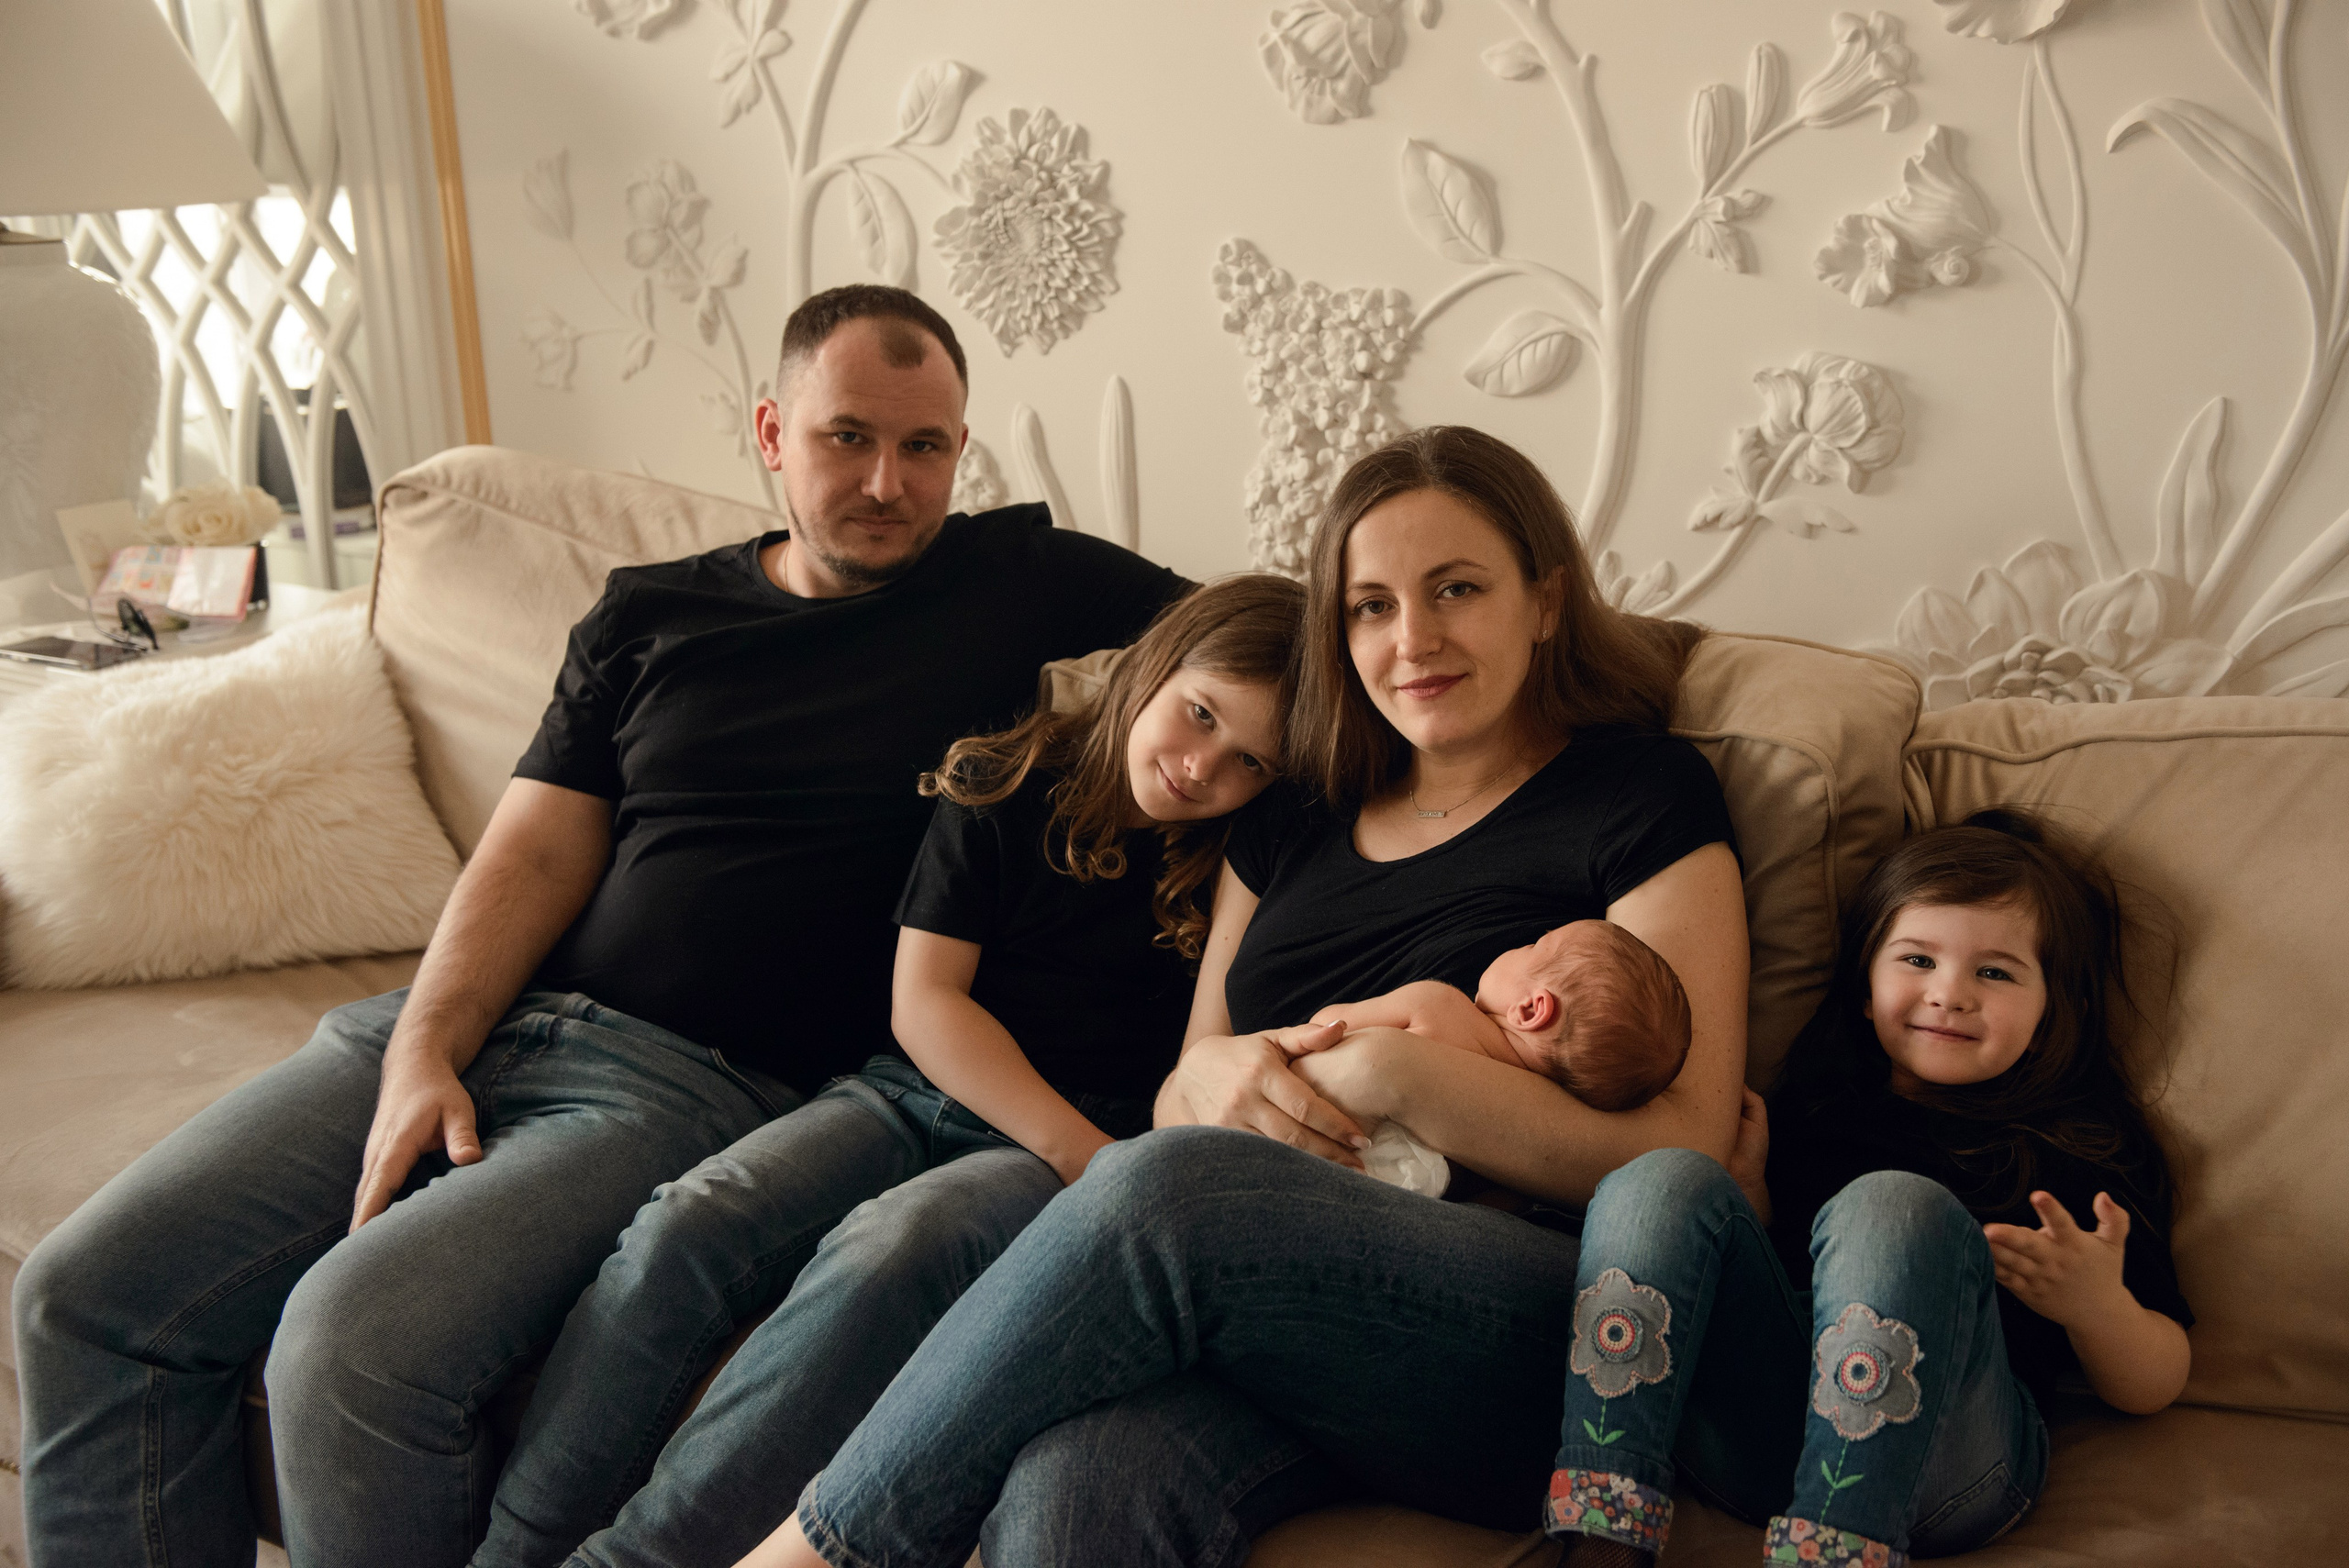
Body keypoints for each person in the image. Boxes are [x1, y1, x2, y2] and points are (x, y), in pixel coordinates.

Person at [11, 284, 1187, 1568]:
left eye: (926, 449)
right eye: (847, 437)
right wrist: (424, 1043)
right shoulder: (649, 611)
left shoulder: (1024, 589)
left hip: (688, 1089)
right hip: (480, 1024)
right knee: (84, 1298)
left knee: (355, 1342)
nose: (889, 484)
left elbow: (1275, 644)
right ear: (771, 433)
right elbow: (529, 847)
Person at [732, 423, 1753, 1568]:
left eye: (1455, 588)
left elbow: (1687, 1143)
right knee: (1073, 1480)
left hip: (1523, 1314)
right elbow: (1185, 1084)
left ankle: (813, 1555)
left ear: (1546, 599)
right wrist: (1203, 1074)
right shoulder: (1290, 814)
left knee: (1164, 1188)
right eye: (1370, 605)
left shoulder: (1639, 793)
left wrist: (1394, 1071)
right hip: (1272, 1309)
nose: (1411, 638)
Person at [474, 573, 1300, 1568]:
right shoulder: (1002, 775)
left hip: (1067, 1145)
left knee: (891, 1245)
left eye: (1248, 758)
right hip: (918, 1093)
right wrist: (1076, 1148)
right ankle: (518, 1552)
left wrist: (1087, 1155)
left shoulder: (1234, 854)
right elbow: (926, 1001)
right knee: (687, 1222)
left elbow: (1196, 1056)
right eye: (1198, 712)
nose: (1199, 763)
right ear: (1154, 665)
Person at [1537, 809, 2192, 1567]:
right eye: (1917, 960)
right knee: (1661, 1175)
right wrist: (1748, 1191)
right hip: (1765, 1455)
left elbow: (2157, 1380)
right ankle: (1601, 1526)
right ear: (1864, 981)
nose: (1949, 993)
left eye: (1995, 971)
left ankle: (1841, 1551)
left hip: (1952, 1472)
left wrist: (2096, 1304)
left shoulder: (2084, 1149)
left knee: (1893, 1204)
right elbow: (1763, 1298)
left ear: (2055, 1010)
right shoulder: (1819, 1107)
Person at [1314, 920, 1694, 1195]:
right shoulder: (1521, 1142)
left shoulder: (1437, 1006)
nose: (1520, 946)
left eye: (1534, 945)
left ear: (1530, 1010)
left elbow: (1324, 1030)